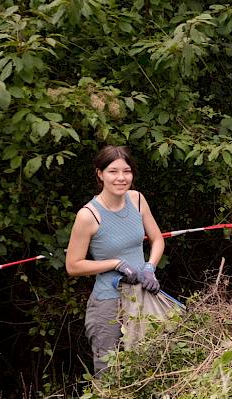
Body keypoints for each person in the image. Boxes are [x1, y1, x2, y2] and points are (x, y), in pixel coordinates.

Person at [65, 145, 164, 374]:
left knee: (148, 366)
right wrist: (115, 263)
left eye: (126, 171)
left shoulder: (137, 200)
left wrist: (150, 268)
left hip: (142, 297)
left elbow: (157, 240)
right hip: (108, 304)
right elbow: (73, 265)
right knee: (111, 373)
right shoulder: (88, 215)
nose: (121, 178)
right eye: (113, 171)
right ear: (99, 174)